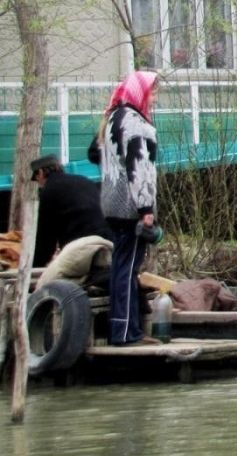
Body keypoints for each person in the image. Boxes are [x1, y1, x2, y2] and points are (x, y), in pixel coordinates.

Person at [94, 70, 160, 346]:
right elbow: (140, 168)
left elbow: (93, 153)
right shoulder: (136, 125)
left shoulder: (111, 120)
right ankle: (125, 333)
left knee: (123, 266)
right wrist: (146, 209)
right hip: (130, 207)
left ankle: (124, 330)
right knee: (127, 268)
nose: (154, 98)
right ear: (140, 93)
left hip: (110, 203)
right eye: (152, 92)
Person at [31, 154, 113, 267]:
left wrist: (36, 264)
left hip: (80, 247)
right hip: (108, 239)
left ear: (40, 172)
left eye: (37, 179)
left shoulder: (49, 191)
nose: (39, 183)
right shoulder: (84, 181)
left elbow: (46, 238)